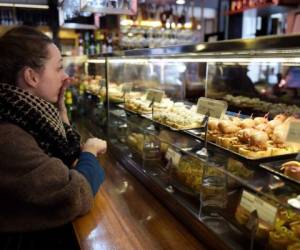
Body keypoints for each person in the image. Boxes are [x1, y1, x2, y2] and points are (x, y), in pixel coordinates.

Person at [0, 26, 107, 249]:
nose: (65, 76)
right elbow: (75, 193)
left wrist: (61, 113)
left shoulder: (23, 112)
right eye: (58, 68)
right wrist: (90, 151)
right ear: (31, 76)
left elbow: (67, 157)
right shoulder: (8, 137)